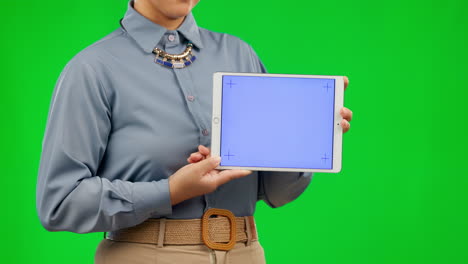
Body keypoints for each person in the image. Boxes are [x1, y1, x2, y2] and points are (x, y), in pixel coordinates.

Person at [35, 0, 353, 263]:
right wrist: (170, 191)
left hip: (246, 253)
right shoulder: (92, 69)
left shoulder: (239, 54)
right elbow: (60, 202)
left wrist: (307, 136)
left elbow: (276, 192)